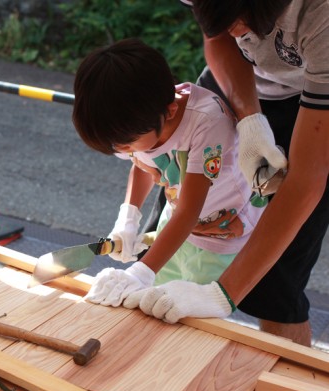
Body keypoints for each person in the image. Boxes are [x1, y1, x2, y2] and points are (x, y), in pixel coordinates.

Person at [122, 0, 329, 347]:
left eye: (242, 22)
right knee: (169, 240)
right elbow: (217, 34)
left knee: (276, 286)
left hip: (313, 102)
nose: (238, 35)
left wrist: (222, 295)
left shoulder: (321, 15)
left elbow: (306, 181)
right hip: (231, 81)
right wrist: (250, 118)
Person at [72, 39, 266, 313]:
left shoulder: (208, 122)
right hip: (175, 225)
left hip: (219, 234)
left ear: (171, 111)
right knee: (149, 303)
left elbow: (189, 210)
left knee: (186, 319)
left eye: (125, 144)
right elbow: (141, 162)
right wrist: (128, 218)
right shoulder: (135, 120)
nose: (121, 151)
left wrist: (141, 272)